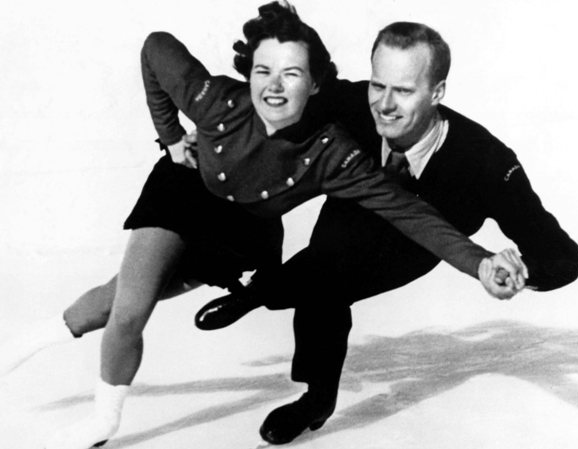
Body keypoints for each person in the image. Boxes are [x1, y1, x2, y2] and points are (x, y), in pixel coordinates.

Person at [0, 4, 527, 449]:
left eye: (291, 75)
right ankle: (103, 422)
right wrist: (170, 137)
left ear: (315, 83)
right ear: (247, 71)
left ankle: (27, 341)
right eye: (262, 71)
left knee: (120, 298)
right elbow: (155, 47)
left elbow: (412, 215)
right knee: (133, 308)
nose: (273, 88)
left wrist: (479, 262)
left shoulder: (332, 155)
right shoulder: (214, 102)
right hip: (183, 195)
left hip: (239, 234)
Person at [194, 17, 578, 445]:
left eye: (404, 90)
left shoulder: (486, 163)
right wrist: (213, 128)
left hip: (412, 246)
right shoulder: (353, 101)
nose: (384, 104)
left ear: (437, 93)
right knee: (323, 270)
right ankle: (262, 294)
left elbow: (564, 257)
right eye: (379, 85)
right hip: (348, 218)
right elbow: (289, 94)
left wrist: (517, 269)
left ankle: (311, 391)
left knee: (325, 283)